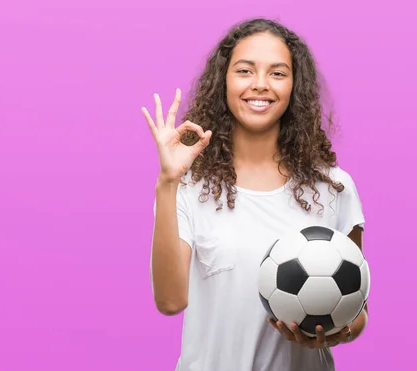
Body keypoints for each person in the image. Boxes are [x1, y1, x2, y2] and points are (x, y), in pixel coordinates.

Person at [141, 18, 368, 371]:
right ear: (224, 82)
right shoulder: (187, 186)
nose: (260, 85)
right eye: (245, 71)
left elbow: (356, 307)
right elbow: (170, 301)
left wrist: (341, 332)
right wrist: (167, 181)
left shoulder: (333, 187)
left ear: (295, 86)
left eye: (278, 73)